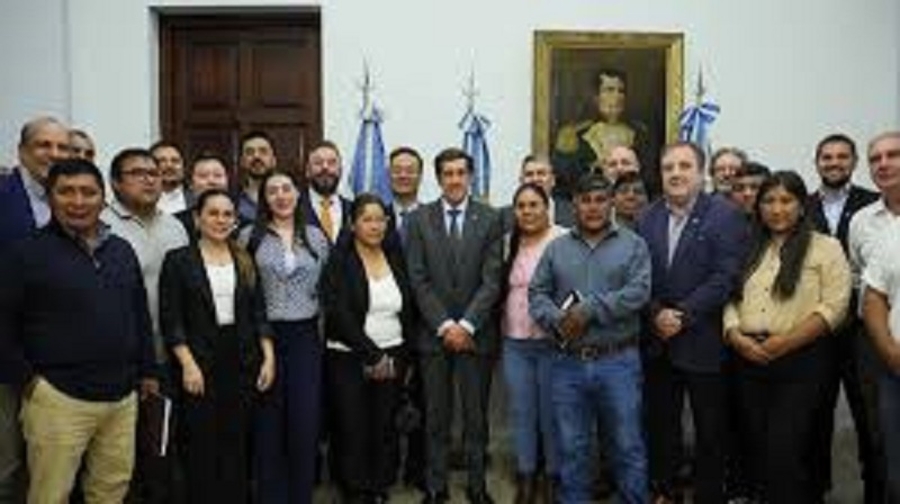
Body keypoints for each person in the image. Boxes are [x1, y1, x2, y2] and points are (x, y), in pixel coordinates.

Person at [0, 159, 158, 503]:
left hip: (121, 398)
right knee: (50, 495)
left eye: (88, 192)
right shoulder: (25, 253)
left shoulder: (120, 250)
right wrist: (30, 382)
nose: (78, 201)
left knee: (111, 490)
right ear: (50, 197)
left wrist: (147, 370)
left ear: (103, 198)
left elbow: (138, 313)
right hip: (57, 399)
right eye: (66, 192)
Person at [724, 170, 850, 503]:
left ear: (801, 205)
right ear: (759, 207)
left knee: (786, 448)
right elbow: (731, 298)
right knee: (757, 447)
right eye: (768, 201)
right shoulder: (749, 247)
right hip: (748, 359)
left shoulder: (826, 247)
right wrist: (734, 334)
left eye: (786, 200)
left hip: (801, 361)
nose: (777, 209)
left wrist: (786, 342)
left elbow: (834, 307)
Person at [529, 173, 652, 504]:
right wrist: (558, 319)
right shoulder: (556, 248)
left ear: (611, 202)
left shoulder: (633, 245)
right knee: (572, 447)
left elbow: (639, 293)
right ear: (575, 205)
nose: (593, 207)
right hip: (567, 363)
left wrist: (590, 309)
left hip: (619, 362)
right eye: (586, 201)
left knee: (627, 444)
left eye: (600, 200)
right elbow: (537, 293)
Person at [636, 141, 747, 504]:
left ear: (701, 173)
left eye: (684, 166)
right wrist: (656, 313)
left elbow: (726, 276)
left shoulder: (725, 215)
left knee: (710, 430)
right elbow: (638, 277)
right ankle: (666, 491)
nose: (676, 174)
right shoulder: (646, 217)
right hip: (659, 342)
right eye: (668, 167)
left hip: (704, 341)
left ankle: (709, 495)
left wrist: (682, 315)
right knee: (661, 426)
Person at [405, 147, 503, 504]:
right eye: (448, 173)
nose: (455, 180)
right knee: (436, 417)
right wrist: (446, 325)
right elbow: (417, 279)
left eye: (461, 173)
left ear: (470, 176)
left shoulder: (490, 218)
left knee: (476, 418)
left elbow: (492, 279)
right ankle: (436, 486)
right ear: (438, 178)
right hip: (434, 337)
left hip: (477, 336)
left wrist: (467, 325)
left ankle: (477, 487)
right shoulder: (418, 220)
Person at [101, 147, 190, 503]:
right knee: (118, 458)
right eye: (137, 173)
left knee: (161, 449)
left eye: (153, 173)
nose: (149, 179)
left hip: (169, 356)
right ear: (115, 183)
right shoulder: (101, 225)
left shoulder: (175, 227)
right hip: (120, 360)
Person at [241, 171, 330, 504]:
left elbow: (328, 288)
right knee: (268, 423)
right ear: (264, 199)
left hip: (306, 338)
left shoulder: (316, 237)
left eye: (286, 189)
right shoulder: (249, 236)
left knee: (304, 422)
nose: (280, 196)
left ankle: (300, 495)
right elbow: (243, 291)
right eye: (272, 191)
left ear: (297, 194)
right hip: (265, 337)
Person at [320, 193, 415, 503]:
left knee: (383, 424)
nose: (375, 226)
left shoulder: (395, 256)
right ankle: (354, 488)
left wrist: (401, 356)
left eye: (380, 220)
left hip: (393, 353)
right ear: (353, 224)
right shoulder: (340, 260)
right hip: (349, 356)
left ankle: (379, 484)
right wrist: (372, 355)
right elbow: (338, 313)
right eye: (367, 219)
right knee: (352, 424)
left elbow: (407, 307)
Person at [805, 134, 881, 503]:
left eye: (841, 157)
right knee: (814, 416)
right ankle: (815, 490)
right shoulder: (801, 206)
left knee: (870, 416)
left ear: (853, 162)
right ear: (816, 162)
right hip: (816, 329)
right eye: (827, 157)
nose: (834, 163)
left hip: (863, 330)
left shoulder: (873, 205)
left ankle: (876, 491)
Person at [0, 115, 70, 504]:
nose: (53, 154)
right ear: (22, 151)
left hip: (58, 356)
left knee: (52, 465)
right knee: (7, 465)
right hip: (6, 355)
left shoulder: (73, 198)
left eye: (62, 147)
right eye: (44, 145)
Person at [500, 183, 567, 503]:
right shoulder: (508, 242)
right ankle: (526, 476)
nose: (527, 211)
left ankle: (552, 477)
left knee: (551, 413)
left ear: (546, 207)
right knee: (522, 411)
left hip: (552, 342)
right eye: (521, 206)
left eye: (533, 205)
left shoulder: (563, 239)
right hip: (515, 341)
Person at [852, 130, 900, 502]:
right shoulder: (863, 221)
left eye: (893, 155)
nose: (883, 164)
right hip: (884, 353)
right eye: (876, 158)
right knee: (884, 440)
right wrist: (892, 356)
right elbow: (868, 289)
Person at [386, 146, 427, 489]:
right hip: (384, 324)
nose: (403, 175)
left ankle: (417, 471)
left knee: (424, 400)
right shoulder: (373, 214)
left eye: (409, 169)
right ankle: (383, 472)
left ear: (420, 175)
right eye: (397, 169)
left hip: (424, 322)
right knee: (383, 402)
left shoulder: (431, 216)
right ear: (388, 174)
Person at [553, 69, 659, 198]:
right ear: (596, 97)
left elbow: (650, 179)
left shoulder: (641, 134)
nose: (617, 96)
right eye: (609, 90)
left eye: (621, 91)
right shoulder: (573, 135)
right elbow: (564, 181)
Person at [500, 154, 576, 231]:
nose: (535, 179)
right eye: (529, 174)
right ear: (521, 180)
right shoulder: (503, 217)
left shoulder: (573, 212)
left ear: (553, 180)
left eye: (541, 173)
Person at [302, 140, 352, 244]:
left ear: (340, 170)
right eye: (318, 162)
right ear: (307, 171)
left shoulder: (353, 210)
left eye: (332, 163)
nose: (325, 167)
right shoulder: (293, 208)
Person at [174, 153, 231, 238]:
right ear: (191, 183)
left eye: (218, 175)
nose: (211, 181)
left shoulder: (242, 224)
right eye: (203, 176)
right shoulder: (176, 223)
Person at [237, 131, 278, 223]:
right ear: (242, 161)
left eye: (263, 151)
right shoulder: (233, 200)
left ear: (274, 160)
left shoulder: (290, 197)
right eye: (250, 152)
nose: (256, 156)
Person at [151, 141, 189, 214]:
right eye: (162, 161)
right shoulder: (138, 200)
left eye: (175, 161)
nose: (169, 166)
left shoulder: (196, 200)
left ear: (184, 167)